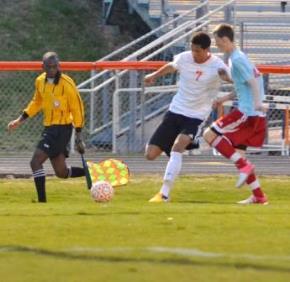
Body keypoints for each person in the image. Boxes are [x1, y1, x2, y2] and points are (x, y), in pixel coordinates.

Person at [144, 31, 230, 202]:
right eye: (192, 50)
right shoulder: (184, 58)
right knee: (150, 154)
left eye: (197, 51)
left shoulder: (217, 65)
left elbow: (226, 75)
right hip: (176, 110)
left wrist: (230, 79)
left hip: (196, 116)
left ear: (207, 50)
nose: (194, 54)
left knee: (178, 147)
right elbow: (172, 66)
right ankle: (191, 142)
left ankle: (164, 193)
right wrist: (153, 75)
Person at [203, 23, 268, 205]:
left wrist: (256, 103)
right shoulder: (237, 58)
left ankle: (244, 167)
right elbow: (244, 85)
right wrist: (223, 99)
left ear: (225, 39)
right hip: (251, 112)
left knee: (209, 135)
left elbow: (253, 82)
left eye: (218, 42)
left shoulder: (237, 59)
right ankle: (259, 196)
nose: (217, 46)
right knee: (239, 153)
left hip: (247, 112)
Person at [7, 51, 86, 203]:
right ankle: (90, 172)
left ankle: (42, 202)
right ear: (42, 67)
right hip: (50, 128)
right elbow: (36, 102)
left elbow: (78, 109)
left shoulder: (67, 84)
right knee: (61, 172)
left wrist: (79, 135)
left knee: (35, 162)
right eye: (48, 67)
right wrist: (20, 119)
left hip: (62, 129)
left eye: (55, 66)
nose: (52, 70)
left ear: (59, 66)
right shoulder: (40, 81)